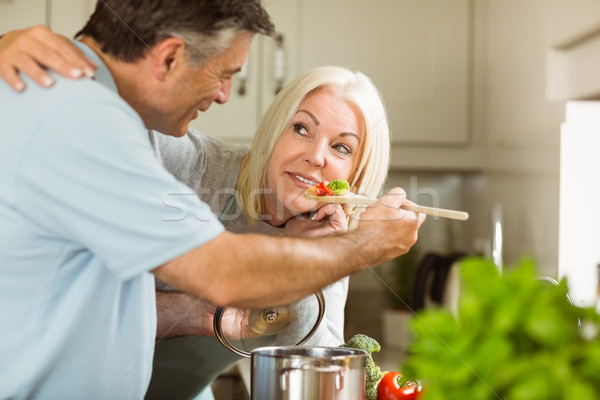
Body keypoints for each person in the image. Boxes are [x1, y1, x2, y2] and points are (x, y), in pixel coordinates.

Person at [0, 2, 424, 400]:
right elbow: (226, 272)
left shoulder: (329, 238)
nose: (225, 94)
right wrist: (363, 246)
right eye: (301, 129)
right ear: (169, 58)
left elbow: (312, 369)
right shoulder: (122, 137)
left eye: (342, 148)